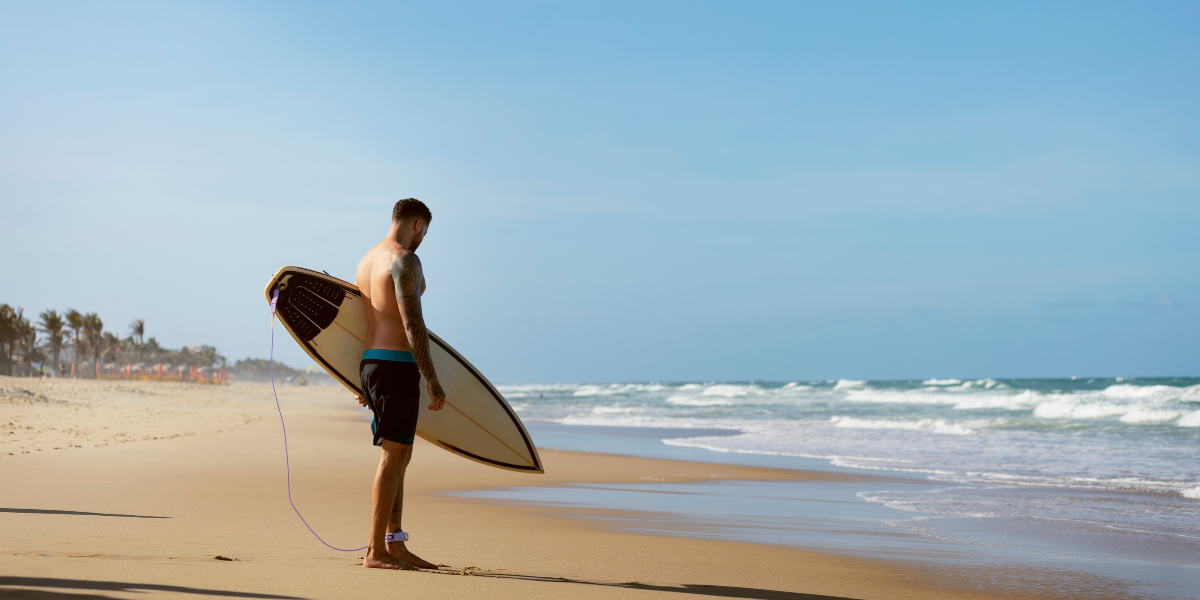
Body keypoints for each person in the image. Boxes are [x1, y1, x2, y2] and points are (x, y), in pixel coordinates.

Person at [353, 198, 446, 570]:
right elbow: (412, 323)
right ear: (418, 225)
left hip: (372, 363)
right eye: (425, 232)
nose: (423, 240)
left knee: (400, 454)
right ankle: (375, 551)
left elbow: (361, 322)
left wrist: (359, 377)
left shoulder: (366, 260)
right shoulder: (404, 260)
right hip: (396, 367)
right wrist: (431, 377)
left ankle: (394, 542)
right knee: (393, 458)